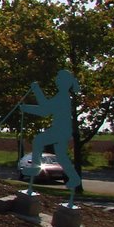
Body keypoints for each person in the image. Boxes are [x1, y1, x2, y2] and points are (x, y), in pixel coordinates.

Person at [19, 69, 82, 202]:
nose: (56, 81)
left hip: (60, 129)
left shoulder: (63, 97)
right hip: (63, 130)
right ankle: (74, 178)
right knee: (61, 156)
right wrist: (27, 108)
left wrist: (36, 91)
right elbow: (45, 109)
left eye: (58, 79)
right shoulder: (63, 95)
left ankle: (35, 168)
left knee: (38, 140)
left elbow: (45, 110)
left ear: (63, 82)